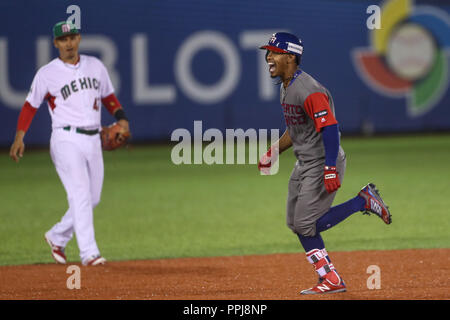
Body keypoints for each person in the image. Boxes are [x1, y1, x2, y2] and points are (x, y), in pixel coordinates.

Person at [258, 32, 392, 294]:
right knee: (296, 224)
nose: (268, 57)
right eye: (268, 52)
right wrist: (274, 150)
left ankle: (361, 203)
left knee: (305, 224)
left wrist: (330, 168)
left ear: (290, 57)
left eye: (273, 52)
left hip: (322, 162)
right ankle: (330, 277)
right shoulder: (287, 87)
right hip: (305, 163)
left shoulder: (308, 90)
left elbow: (330, 128)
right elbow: (296, 130)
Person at [9, 21, 130, 266]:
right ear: (56, 43)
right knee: (80, 194)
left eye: (72, 38)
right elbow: (30, 106)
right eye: (63, 40)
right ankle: (89, 254)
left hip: (94, 139)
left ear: (79, 39)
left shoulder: (95, 66)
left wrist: (122, 119)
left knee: (92, 197)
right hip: (66, 139)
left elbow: (108, 97)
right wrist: (20, 135)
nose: (69, 43)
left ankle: (57, 235)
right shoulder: (47, 73)